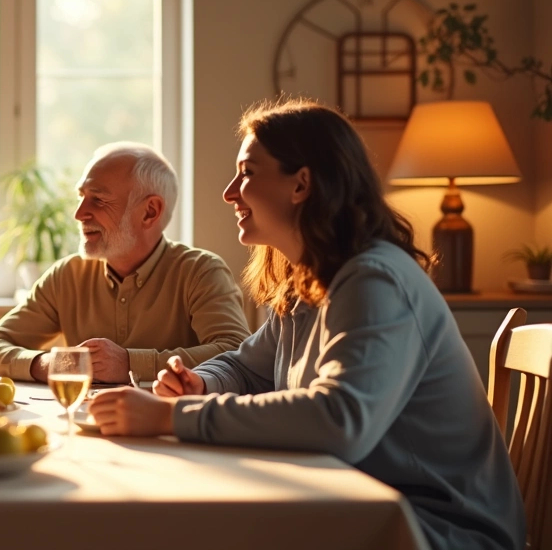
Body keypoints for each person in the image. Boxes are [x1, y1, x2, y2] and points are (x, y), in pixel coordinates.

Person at [90, 100, 524, 550]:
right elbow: (246, 368)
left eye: (248, 173)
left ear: (301, 184)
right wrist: (198, 383)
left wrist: (171, 414)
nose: (230, 192)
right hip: (351, 501)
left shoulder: (375, 279)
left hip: (438, 529)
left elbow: (340, 420)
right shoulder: (309, 281)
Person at [0, 142, 250, 383]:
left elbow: (237, 354)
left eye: (99, 200)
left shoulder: (200, 272)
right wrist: (49, 364)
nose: (79, 214)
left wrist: (129, 363)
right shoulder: (67, 276)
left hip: (171, 433)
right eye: (81, 197)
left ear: (149, 212)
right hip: (86, 429)